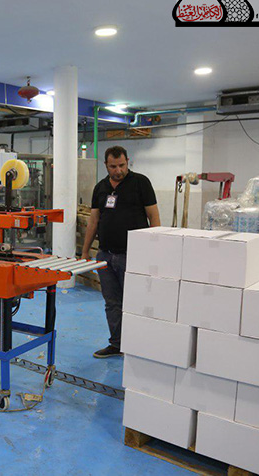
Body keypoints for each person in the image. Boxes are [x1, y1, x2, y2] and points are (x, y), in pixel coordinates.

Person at [81, 146, 160, 359]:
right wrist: (85, 251)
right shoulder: (100, 188)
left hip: (133, 255)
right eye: (113, 166)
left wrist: (155, 249)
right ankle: (117, 344)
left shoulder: (140, 183)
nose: (118, 170)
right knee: (112, 302)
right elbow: (94, 221)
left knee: (134, 302)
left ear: (128, 162)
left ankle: (137, 345)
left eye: (122, 165)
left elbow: (153, 217)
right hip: (105, 255)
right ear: (106, 165)